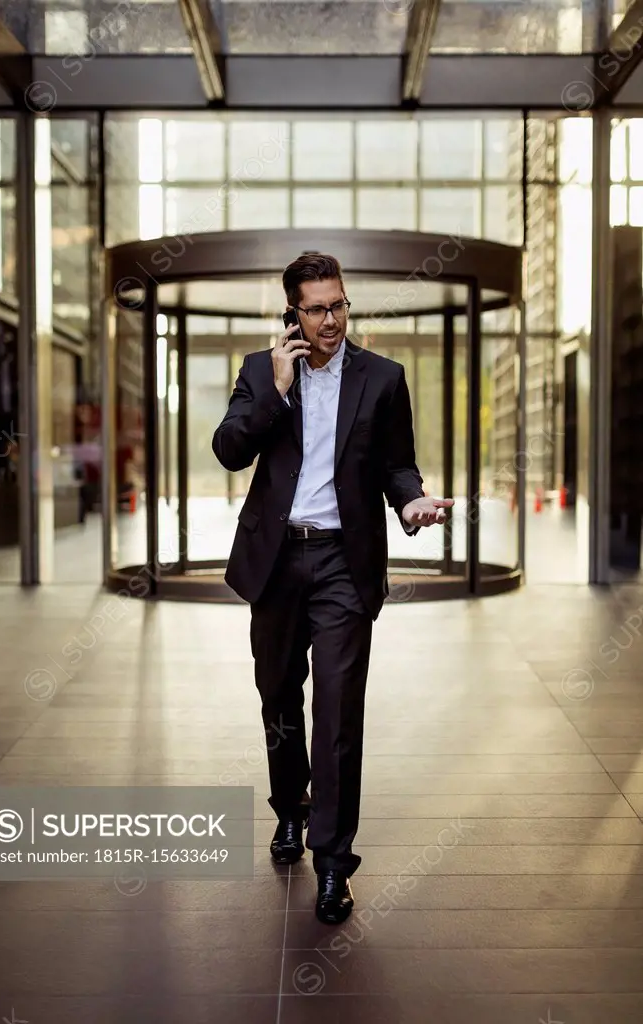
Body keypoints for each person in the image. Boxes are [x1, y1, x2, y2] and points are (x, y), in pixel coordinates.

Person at [212, 253, 453, 924]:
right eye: (315, 308)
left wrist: (410, 504)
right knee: (279, 699)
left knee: (340, 713)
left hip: (343, 564)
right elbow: (229, 448)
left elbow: (397, 465)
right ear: (292, 313)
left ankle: (332, 863)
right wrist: (277, 390)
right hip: (276, 562)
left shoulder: (383, 378)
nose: (330, 320)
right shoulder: (263, 372)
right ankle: (290, 809)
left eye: (338, 305)